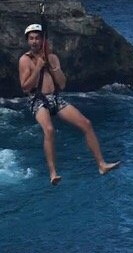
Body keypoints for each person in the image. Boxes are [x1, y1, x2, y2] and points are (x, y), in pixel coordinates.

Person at [18, 23, 121, 185]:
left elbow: (63, 84)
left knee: (86, 123)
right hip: (36, 99)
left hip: (55, 97)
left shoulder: (52, 57)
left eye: (37, 38)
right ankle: (53, 173)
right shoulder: (25, 60)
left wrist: (54, 67)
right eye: (31, 39)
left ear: (43, 40)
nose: (34, 42)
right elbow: (25, 87)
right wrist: (38, 68)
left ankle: (101, 164)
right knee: (49, 130)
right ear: (27, 41)